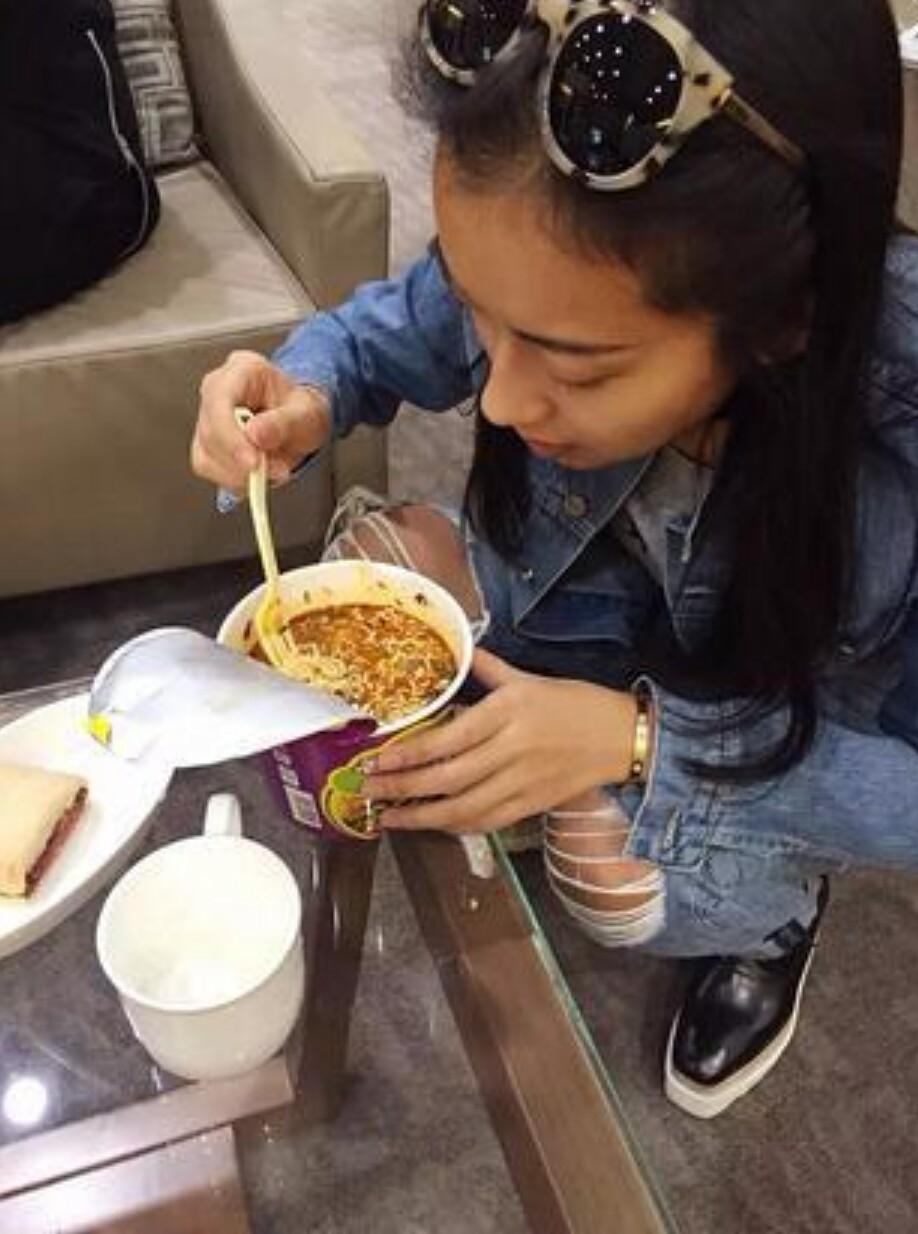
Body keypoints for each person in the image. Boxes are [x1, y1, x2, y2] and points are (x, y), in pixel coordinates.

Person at [191, 0, 918, 1118]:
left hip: (754, 734)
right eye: (483, 313)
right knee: (380, 563)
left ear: (786, 318)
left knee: (606, 873)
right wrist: (307, 390)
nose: (498, 399)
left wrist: (637, 741)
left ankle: (775, 921)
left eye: (577, 367)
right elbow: (389, 329)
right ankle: (546, 745)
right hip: (564, 611)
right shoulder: (542, 246)